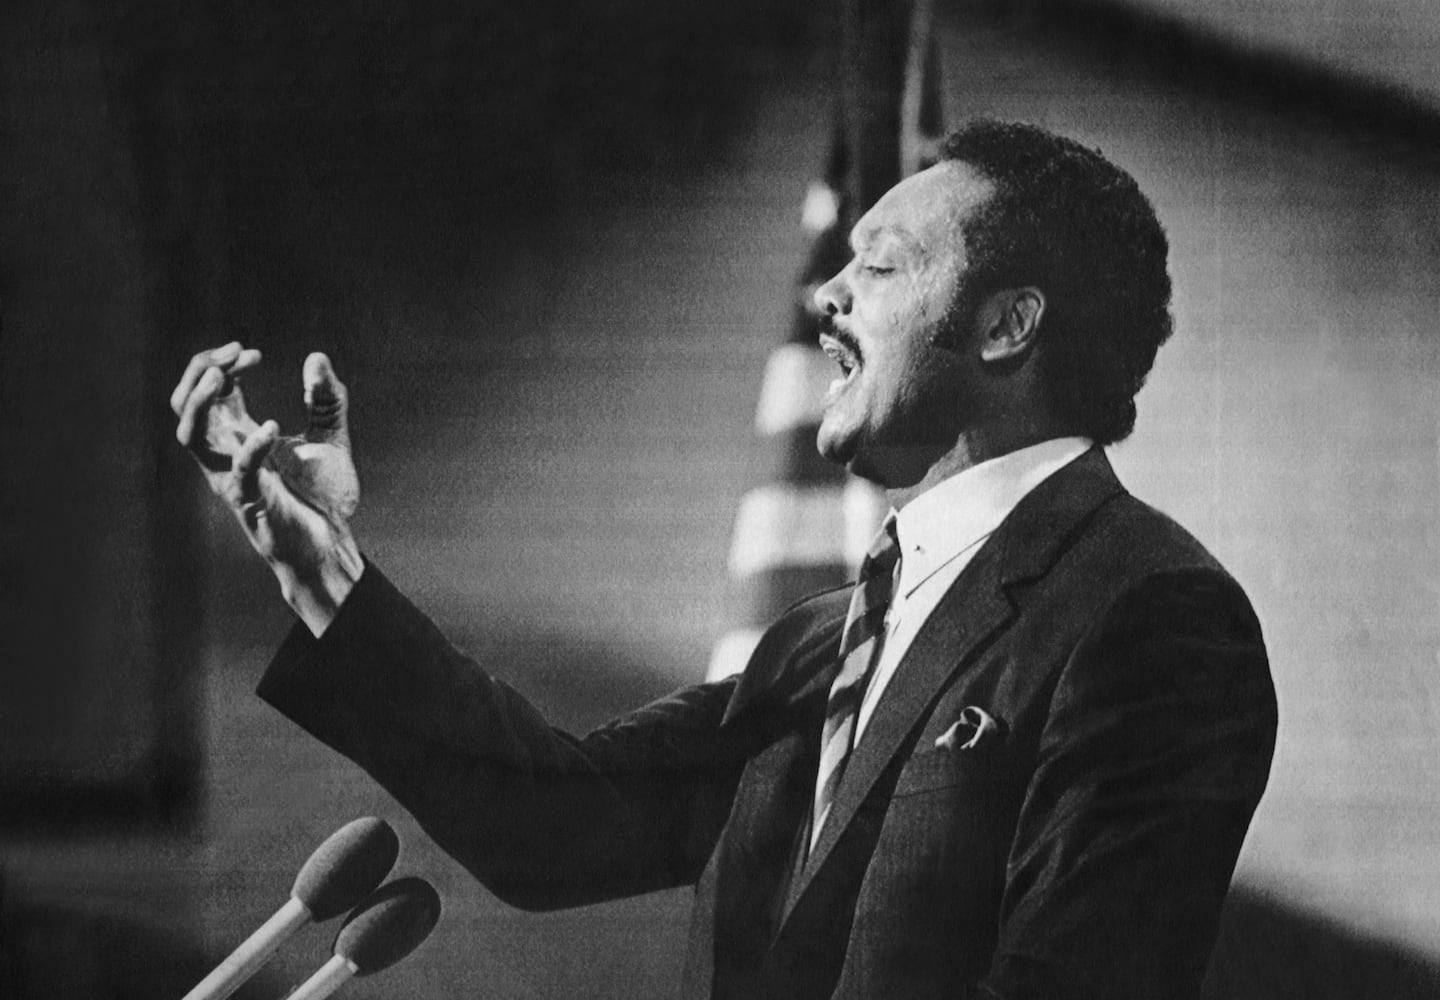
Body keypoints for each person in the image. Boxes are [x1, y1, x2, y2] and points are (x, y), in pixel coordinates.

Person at [172, 120, 1276, 1000]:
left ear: (1005, 328)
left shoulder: (1151, 614)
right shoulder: (822, 639)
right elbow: (551, 821)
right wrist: (319, 568)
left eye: (879, 268)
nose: (825, 298)